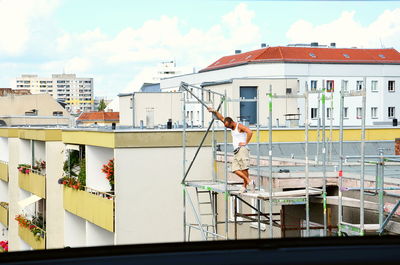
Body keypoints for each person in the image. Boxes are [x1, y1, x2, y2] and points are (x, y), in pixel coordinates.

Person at [207, 107, 255, 193]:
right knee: (235, 169)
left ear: (231, 122)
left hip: (242, 149)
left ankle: (244, 186)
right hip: (236, 151)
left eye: (228, 126)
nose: (227, 128)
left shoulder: (239, 126)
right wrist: (214, 111)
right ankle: (249, 181)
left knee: (244, 169)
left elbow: (250, 132)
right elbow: (221, 118)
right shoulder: (228, 124)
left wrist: (245, 142)